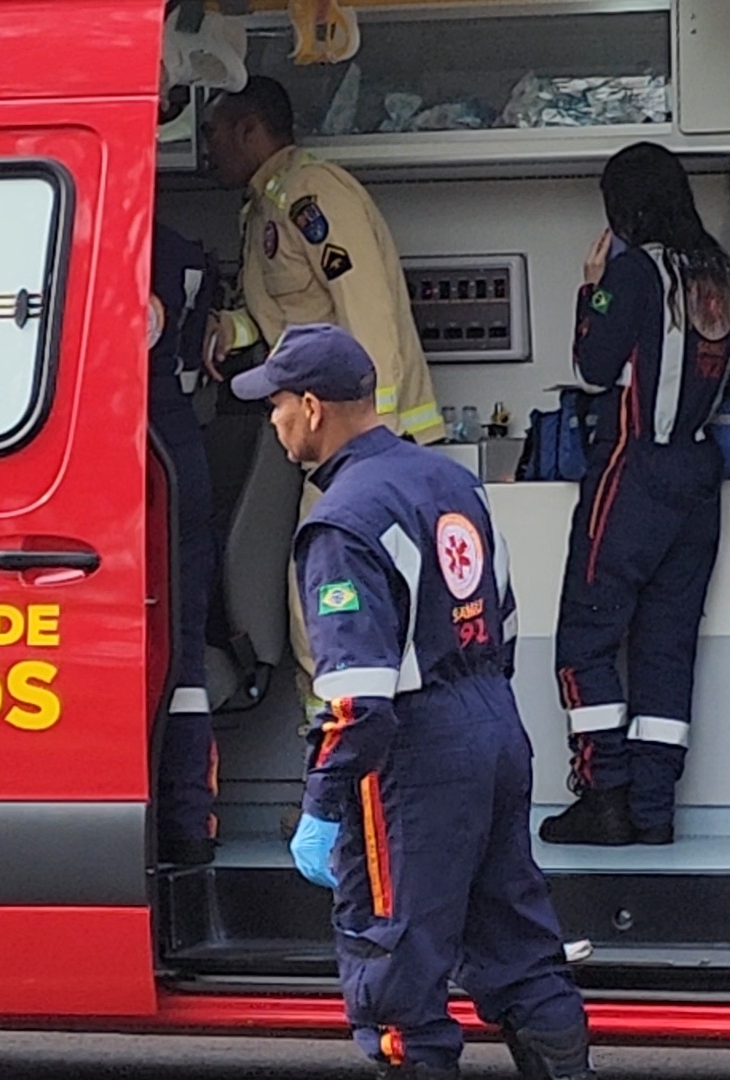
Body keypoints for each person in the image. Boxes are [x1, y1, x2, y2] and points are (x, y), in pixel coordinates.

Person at [230, 323, 594, 1080]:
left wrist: (323, 806)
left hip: (414, 758)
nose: (273, 421)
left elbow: (358, 701)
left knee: (396, 973)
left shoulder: (341, 522)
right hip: (492, 724)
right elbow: (504, 618)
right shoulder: (450, 481)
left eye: (276, 406)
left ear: (312, 406)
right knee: (517, 946)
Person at [539, 143, 730, 848]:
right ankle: (654, 811)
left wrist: (591, 288)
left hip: (636, 471)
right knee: (665, 647)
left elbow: (596, 369)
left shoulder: (634, 271)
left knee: (584, 640)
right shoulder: (722, 276)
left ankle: (604, 799)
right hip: (699, 476)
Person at [200, 76, 444, 446]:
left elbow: (366, 307)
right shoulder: (264, 207)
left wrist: (374, 428)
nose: (206, 149)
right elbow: (283, 312)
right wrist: (229, 330)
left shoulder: (313, 194)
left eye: (211, 133)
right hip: (321, 424)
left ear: (248, 130)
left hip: (372, 434)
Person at [149, 222, 220, 866]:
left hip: (137, 450)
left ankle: (167, 820)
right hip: (177, 447)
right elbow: (202, 359)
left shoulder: (95, 238)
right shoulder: (189, 256)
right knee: (184, 650)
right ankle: (187, 821)